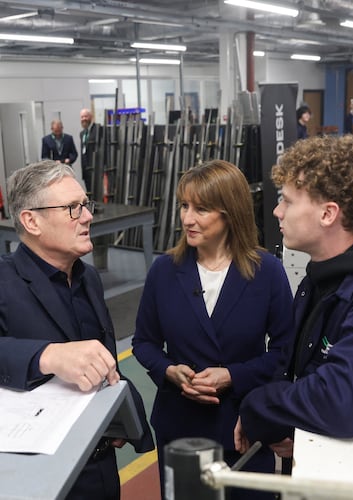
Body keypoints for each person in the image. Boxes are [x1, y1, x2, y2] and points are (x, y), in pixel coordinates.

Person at [234, 135, 353, 464]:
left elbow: (347, 402)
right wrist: (290, 428)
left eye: (288, 201)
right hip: (321, 465)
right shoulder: (320, 279)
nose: (277, 211)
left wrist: (261, 407)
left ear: (328, 214)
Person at [132, 159, 294, 500]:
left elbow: (284, 353)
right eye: (184, 206)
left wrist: (232, 376)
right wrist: (168, 371)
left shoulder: (267, 273)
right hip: (180, 427)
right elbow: (144, 343)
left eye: (201, 209)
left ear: (230, 213)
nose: (187, 218)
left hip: (242, 425)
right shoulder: (164, 271)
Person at [0, 160, 154, 499]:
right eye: (72, 208)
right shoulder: (5, 280)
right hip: (40, 479)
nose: (87, 217)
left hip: (99, 467)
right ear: (31, 220)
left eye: (85, 205)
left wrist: (123, 417)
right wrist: (47, 355)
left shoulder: (89, 279)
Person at [80, 108, 98, 193]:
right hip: (86, 171)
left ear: (91, 117)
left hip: (96, 169)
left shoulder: (98, 130)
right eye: (82, 117)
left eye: (86, 116)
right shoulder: (82, 133)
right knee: (90, 193)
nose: (83, 119)